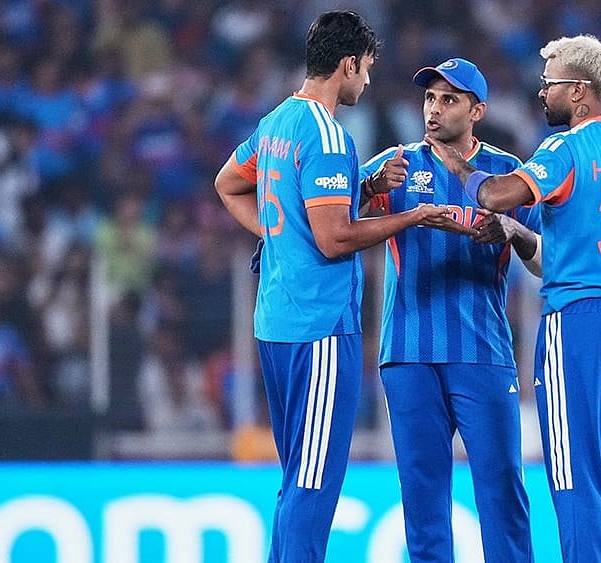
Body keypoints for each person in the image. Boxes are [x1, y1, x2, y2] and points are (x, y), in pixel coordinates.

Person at [425, 35, 601, 563]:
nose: (541, 93)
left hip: (579, 321)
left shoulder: (565, 149)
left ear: (579, 92)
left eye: (549, 85)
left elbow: (496, 194)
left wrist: (460, 165)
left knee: (577, 475)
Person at [213, 11, 464, 562]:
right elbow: (334, 239)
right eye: (367, 69)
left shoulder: (278, 121)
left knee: (296, 478)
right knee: (314, 484)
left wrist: (282, 230)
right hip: (320, 329)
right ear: (347, 65)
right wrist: (413, 216)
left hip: (275, 324)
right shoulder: (329, 134)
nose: (368, 81)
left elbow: (229, 184)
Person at [358, 57, 540, 563]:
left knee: (503, 493)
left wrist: (517, 231)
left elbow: (548, 261)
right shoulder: (394, 165)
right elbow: (335, 228)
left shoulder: (509, 175)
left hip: (482, 351)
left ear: (477, 109)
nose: (434, 109)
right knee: (423, 503)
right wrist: (370, 188)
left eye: (449, 99)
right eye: (429, 98)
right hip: (409, 353)